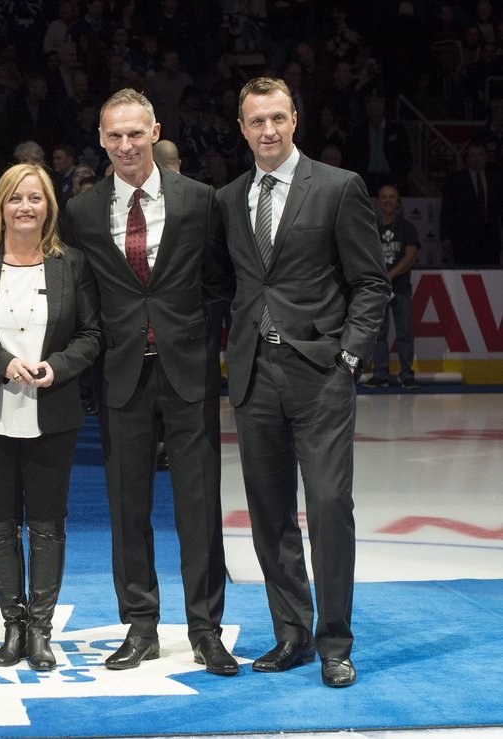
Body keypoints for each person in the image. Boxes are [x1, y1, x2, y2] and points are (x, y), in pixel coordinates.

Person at [217, 77, 389, 688]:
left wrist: (349, 357)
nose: (269, 130)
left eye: (279, 118)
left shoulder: (339, 187)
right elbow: (228, 285)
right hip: (254, 374)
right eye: (257, 120)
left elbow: (372, 282)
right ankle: (290, 633)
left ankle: (335, 643)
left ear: (296, 121)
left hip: (320, 374)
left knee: (328, 507)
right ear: (242, 128)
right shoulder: (230, 197)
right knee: (268, 515)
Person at [60, 89, 237, 676]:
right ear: (102, 139)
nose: (126, 145)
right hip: (122, 374)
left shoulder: (200, 201)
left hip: (187, 371)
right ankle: (140, 626)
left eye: (136, 133)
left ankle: (206, 630)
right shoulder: (83, 211)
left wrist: (192, 333)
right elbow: (84, 295)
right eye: (115, 136)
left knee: (198, 506)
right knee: (126, 506)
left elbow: (219, 283)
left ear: (155, 131)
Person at [0, 163, 100, 671]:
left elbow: (92, 335)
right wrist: (0, 363)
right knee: (1, 525)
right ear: (0, 207)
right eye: (15, 198)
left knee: (49, 526)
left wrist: (60, 367)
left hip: (52, 412)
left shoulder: (71, 263)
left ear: (49, 206)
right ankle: (13, 628)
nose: (25, 207)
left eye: (35, 197)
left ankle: (41, 633)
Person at [366, 184, 419, 388]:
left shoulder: (407, 227)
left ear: (398, 201)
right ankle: (381, 374)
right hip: (377, 290)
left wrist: (390, 275)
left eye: (392, 197)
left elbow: (411, 257)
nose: (388, 200)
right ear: (379, 202)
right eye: (384, 197)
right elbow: (365, 255)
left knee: (404, 333)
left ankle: (407, 374)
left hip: (401, 288)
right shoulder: (371, 228)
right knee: (378, 333)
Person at [440, 141, 503, 266]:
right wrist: (446, 236)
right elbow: (447, 209)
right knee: (465, 276)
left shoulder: (496, 179)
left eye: (480, 154)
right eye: (473, 155)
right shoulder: (455, 180)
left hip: (491, 237)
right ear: (467, 159)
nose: (477, 159)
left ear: (486, 157)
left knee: (492, 277)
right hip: (464, 238)